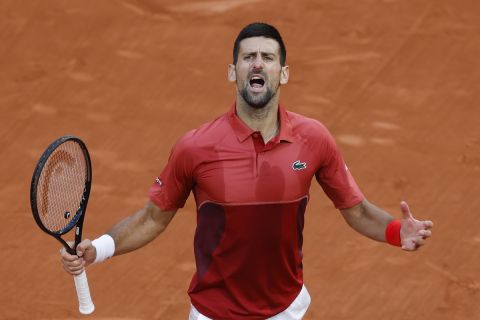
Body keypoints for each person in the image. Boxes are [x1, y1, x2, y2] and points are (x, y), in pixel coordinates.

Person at [61, 22, 434, 320]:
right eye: (248, 57)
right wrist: (100, 248)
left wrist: (396, 231)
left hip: (284, 310)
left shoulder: (314, 139)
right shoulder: (196, 146)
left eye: (268, 57)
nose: (258, 63)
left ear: (283, 73)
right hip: (212, 314)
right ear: (233, 71)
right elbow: (152, 219)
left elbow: (356, 209)